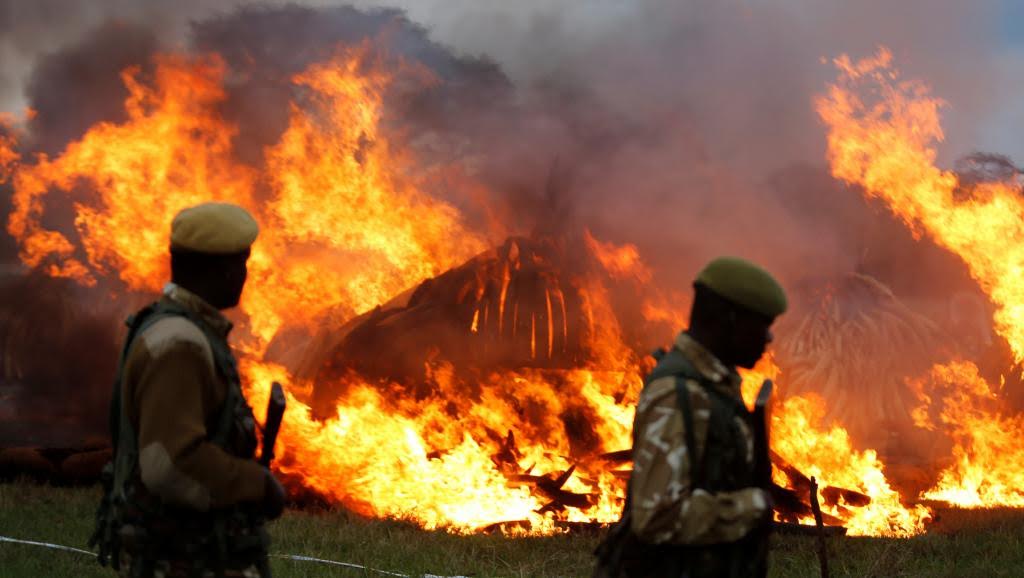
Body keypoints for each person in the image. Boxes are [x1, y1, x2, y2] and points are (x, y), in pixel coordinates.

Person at [91, 202, 287, 578]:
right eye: (242, 263)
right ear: (223, 269)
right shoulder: (178, 344)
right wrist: (257, 484)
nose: (245, 275)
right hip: (180, 561)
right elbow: (171, 464)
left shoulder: (187, 330)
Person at [594, 256, 787, 578]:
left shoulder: (713, 385)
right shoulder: (677, 393)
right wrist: (751, 507)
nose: (768, 338)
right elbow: (656, 516)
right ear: (729, 320)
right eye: (762, 324)